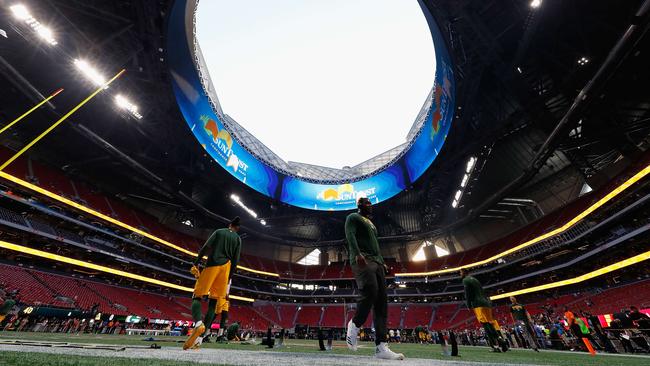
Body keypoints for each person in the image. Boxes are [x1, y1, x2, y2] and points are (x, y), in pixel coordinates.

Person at [345, 197, 404, 360]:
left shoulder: (372, 225)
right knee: (371, 290)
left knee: (381, 303)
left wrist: (383, 263)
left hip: (377, 262)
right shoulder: (353, 217)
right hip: (363, 259)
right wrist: (357, 254)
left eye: (371, 203)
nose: (371, 206)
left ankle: (381, 347)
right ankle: (355, 324)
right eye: (367, 203)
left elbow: (375, 246)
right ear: (360, 205)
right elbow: (350, 235)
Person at [183, 217, 242, 350]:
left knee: (197, 296)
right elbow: (236, 260)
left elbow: (206, 247)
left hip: (212, 265)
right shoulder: (238, 239)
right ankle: (199, 340)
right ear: (237, 228)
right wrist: (229, 278)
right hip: (226, 270)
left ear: (230, 224)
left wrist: (196, 262)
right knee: (213, 303)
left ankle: (198, 323)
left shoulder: (219, 232)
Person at [460, 268, 508, 352]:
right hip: (485, 303)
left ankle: (495, 345)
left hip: (478, 304)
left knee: (485, 325)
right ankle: (500, 339)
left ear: (464, 273)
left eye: (460, 273)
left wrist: (468, 304)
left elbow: (467, 293)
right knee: (489, 323)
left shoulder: (465, 280)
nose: (460, 274)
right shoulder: (475, 279)